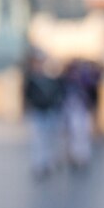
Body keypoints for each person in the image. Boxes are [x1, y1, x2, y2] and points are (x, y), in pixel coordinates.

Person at [23, 49, 65, 179]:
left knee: (49, 138)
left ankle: (47, 163)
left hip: (50, 111)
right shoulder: (31, 78)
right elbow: (27, 95)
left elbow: (58, 92)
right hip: (38, 111)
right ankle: (39, 164)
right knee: (38, 139)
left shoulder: (50, 77)